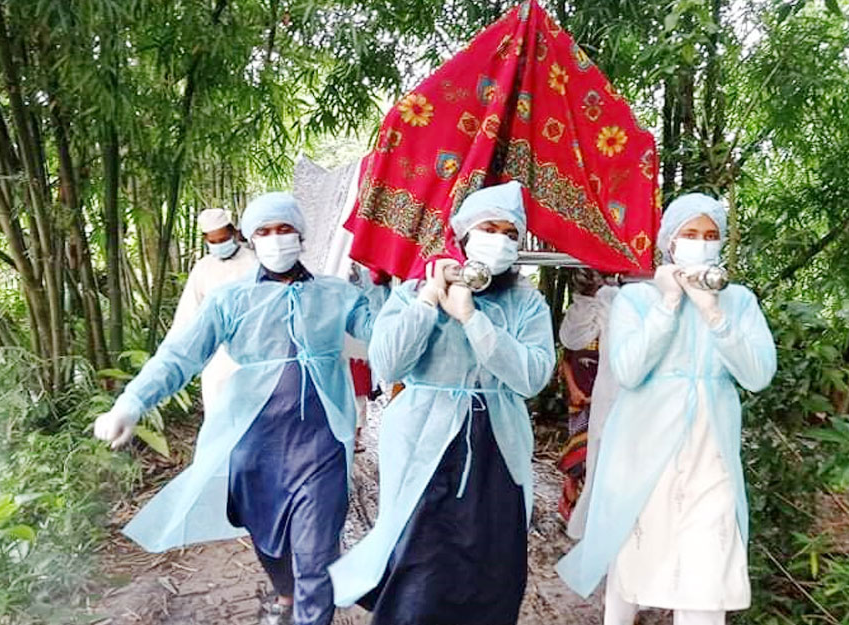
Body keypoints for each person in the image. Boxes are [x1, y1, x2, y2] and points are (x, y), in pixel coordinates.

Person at [92, 192, 382, 625]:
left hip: (320, 443)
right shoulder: (229, 299)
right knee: (266, 534)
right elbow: (179, 356)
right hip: (254, 441)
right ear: (250, 238)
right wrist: (132, 402)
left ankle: (308, 612)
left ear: (301, 235)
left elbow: (385, 336)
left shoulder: (336, 294)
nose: (276, 238)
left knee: (316, 553)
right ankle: (286, 594)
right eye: (264, 231)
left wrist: (403, 297)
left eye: (284, 229)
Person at [328, 180, 556, 625]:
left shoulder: (527, 303)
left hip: (498, 449)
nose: (500, 240)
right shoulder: (415, 290)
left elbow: (531, 377)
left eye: (511, 233)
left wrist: (471, 318)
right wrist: (428, 300)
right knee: (420, 570)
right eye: (489, 228)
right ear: (464, 234)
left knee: (494, 570)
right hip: (424, 446)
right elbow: (388, 364)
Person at [555, 193, 778, 625]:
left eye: (711, 235)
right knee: (632, 560)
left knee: (708, 571)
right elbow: (628, 369)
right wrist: (668, 304)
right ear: (670, 242)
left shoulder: (738, 301)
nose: (701, 243)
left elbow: (758, 375)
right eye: (690, 234)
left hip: (711, 453)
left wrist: (714, 315)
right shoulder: (636, 300)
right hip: (643, 450)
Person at [170, 208, 257, 415]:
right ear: (206, 240)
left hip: (253, 348)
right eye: (214, 242)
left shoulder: (255, 262)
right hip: (217, 354)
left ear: (233, 232)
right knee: (218, 410)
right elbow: (188, 313)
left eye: (223, 239)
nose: (219, 245)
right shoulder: (203, 269)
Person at [558, 270, 620, 539]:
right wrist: (574, 390)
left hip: (607, 401)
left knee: (600, 456)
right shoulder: (579, 320)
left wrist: (601, 395)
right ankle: (571, 508)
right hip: (580, 400)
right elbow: (566, 359)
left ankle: (594, 515)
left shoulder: (617, 316)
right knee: (577, 457)